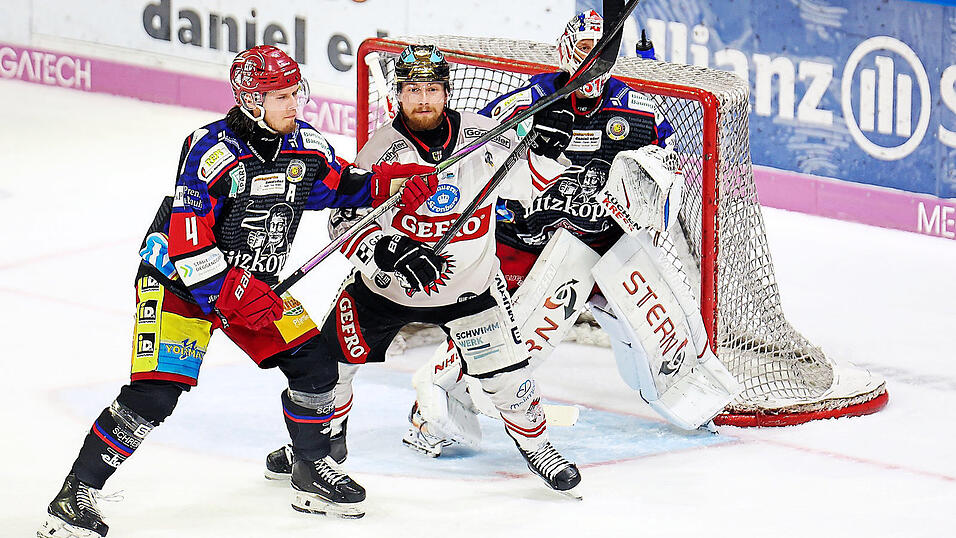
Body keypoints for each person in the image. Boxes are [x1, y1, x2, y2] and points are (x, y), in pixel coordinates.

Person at [38, 45, 436, 536]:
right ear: (251, 100)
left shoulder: (306, 145)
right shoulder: (211, 150)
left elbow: (341, 186)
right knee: (156, 394)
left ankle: (309, 470)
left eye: (295, 93)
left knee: (315, 366)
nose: (294, 104)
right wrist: (230, 290)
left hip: (252, 285)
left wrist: (395, 183)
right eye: (281, 96)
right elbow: (188, 239)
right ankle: (75, 494)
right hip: (179, 284)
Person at [394, 10, 739, 456]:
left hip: (605, 243)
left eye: (600, 53)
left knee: (662, 319)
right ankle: (433, 413)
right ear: (564, 52)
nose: (591, 63)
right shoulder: (527, 104)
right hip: (526, 243)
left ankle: (694, 398)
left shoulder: (635, 111)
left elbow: (665, 175)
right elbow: (473, 157)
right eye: (582, 51)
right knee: (499, 336)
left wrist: (644, 193)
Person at [266, 43, 584, 504]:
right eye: (413, 90)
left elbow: (531, 183)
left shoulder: (483, 136)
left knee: (508, 378)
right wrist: (387, 252)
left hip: (470, 289)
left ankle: (539, 449)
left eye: (432, 89)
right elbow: (343, 222)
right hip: (384, 291)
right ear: (397, 95)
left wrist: (548, 150)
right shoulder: (380, 150)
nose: (423, 99)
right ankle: (319, 451)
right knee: (329, 369)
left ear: (446, 92)